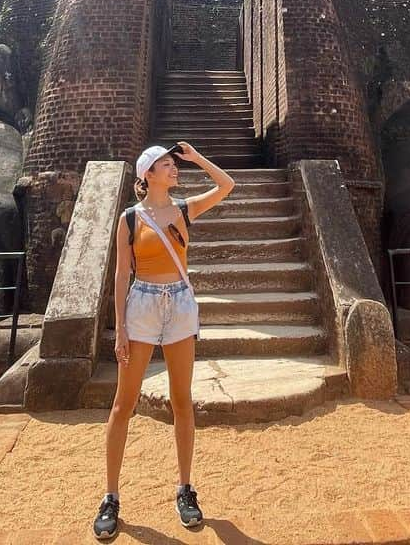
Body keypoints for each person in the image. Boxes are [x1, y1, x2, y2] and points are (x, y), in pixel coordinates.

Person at [93, 140, 235, 540]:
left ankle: (185, 489)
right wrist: (120, 326)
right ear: (147, 174)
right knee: (124, 402)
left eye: (175, 163)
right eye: (167, 164)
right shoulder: (130, 219)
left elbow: (227, 186)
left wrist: (198, 158)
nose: (174, 168)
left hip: (180, 304)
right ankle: (111, 496)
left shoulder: (184, 211)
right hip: (142, 305)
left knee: (182, 400)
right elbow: (122, 275)